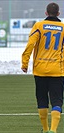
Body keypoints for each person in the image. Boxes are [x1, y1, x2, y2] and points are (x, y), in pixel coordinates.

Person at [21, 3, 64, 133]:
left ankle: (45, 129)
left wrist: (24, 63)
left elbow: (30, 45)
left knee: (42, 99)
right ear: (58, 13)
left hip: (40, 70)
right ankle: (53, 130)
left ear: (46, 13)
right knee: (57, 101)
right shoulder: (63, 28)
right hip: (57, 70)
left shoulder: (39, 26)